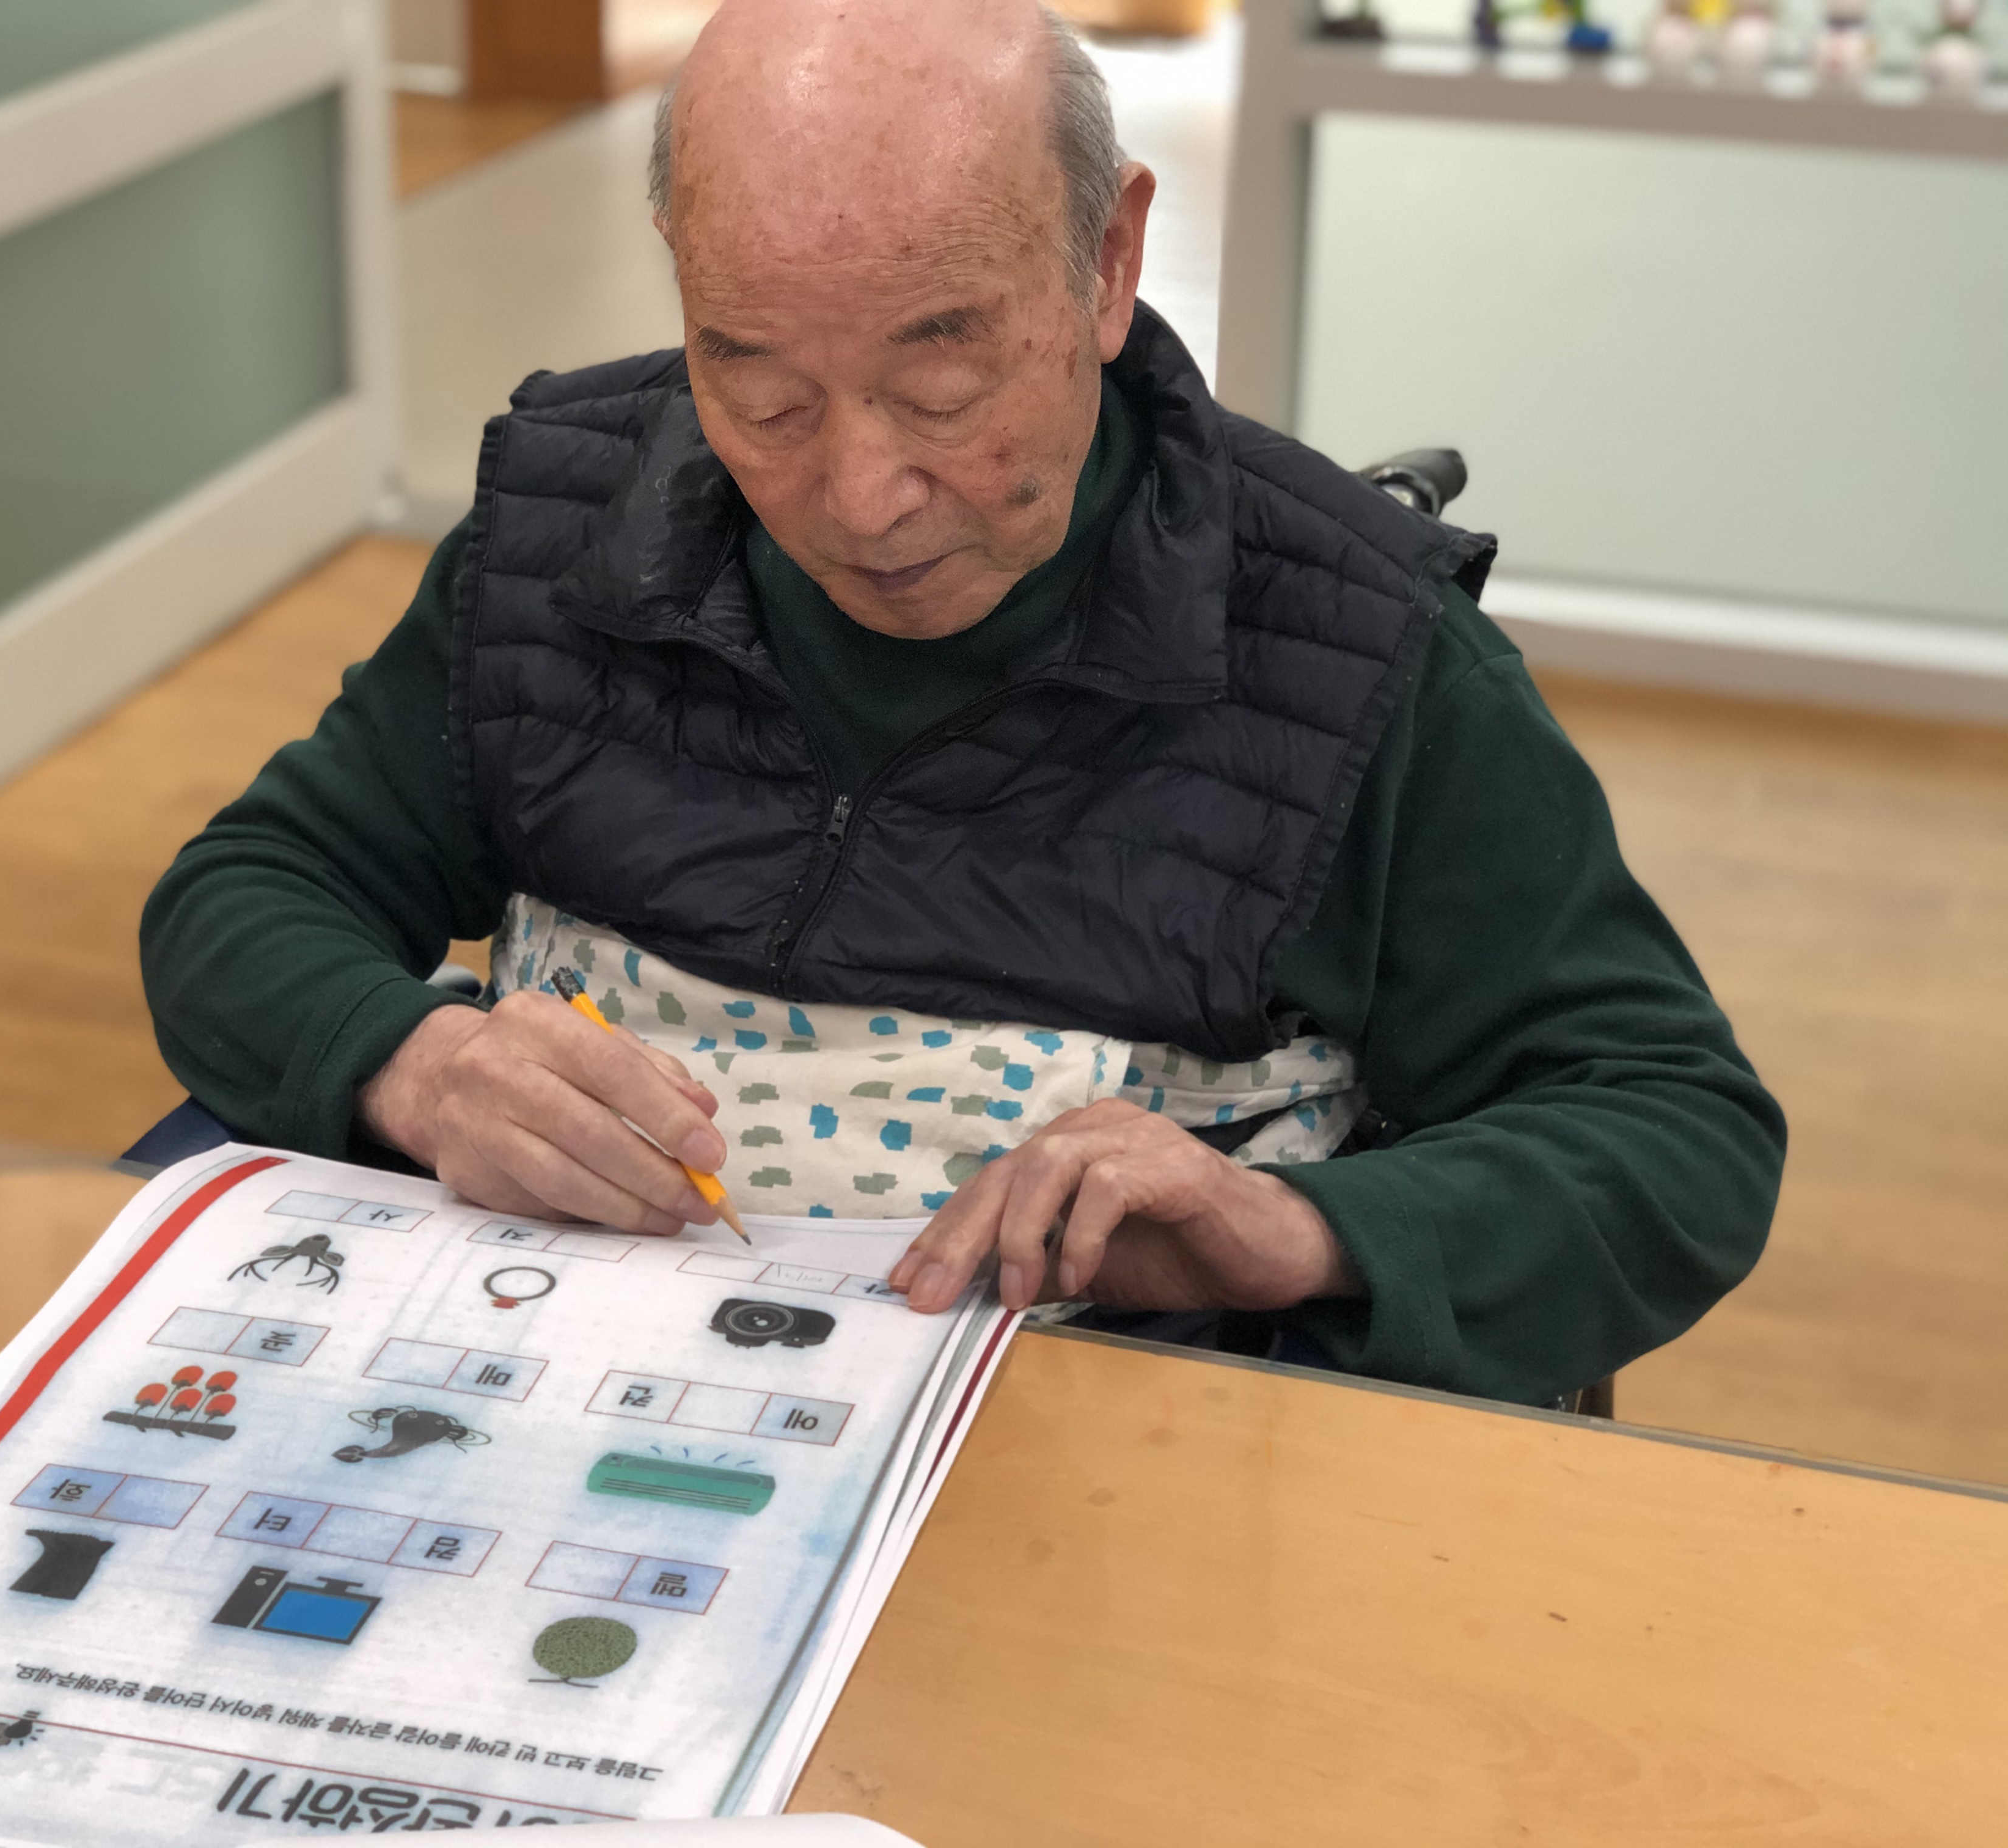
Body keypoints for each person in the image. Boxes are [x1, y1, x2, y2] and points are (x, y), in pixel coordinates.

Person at [142, 0, 1782, 1406]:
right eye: (760, 388)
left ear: (1108, 263)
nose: (861, 498)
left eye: (940, 382)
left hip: (1121, 1462)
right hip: (568, 1396)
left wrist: (1292, 1233)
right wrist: (415, 1062)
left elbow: (1672, 1132)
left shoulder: (1358, 650)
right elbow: (249, 890)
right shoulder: (561, 531)